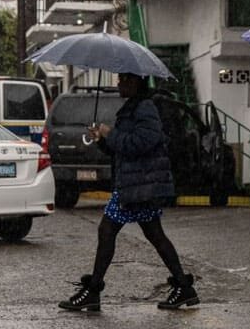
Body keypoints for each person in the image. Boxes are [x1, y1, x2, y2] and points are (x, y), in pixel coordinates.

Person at [59, 73, 199, 312]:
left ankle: (93, 290)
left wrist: (109, 133)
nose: (118, 83)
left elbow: (141, 143)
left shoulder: (145, 108)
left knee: (108, 230)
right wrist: (101, 140)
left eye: (123, 79)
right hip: (136, 184)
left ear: (136, 82)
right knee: (153, 234)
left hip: (139, 185)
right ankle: (184, 287)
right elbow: (121, 149)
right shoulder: (133, 107)